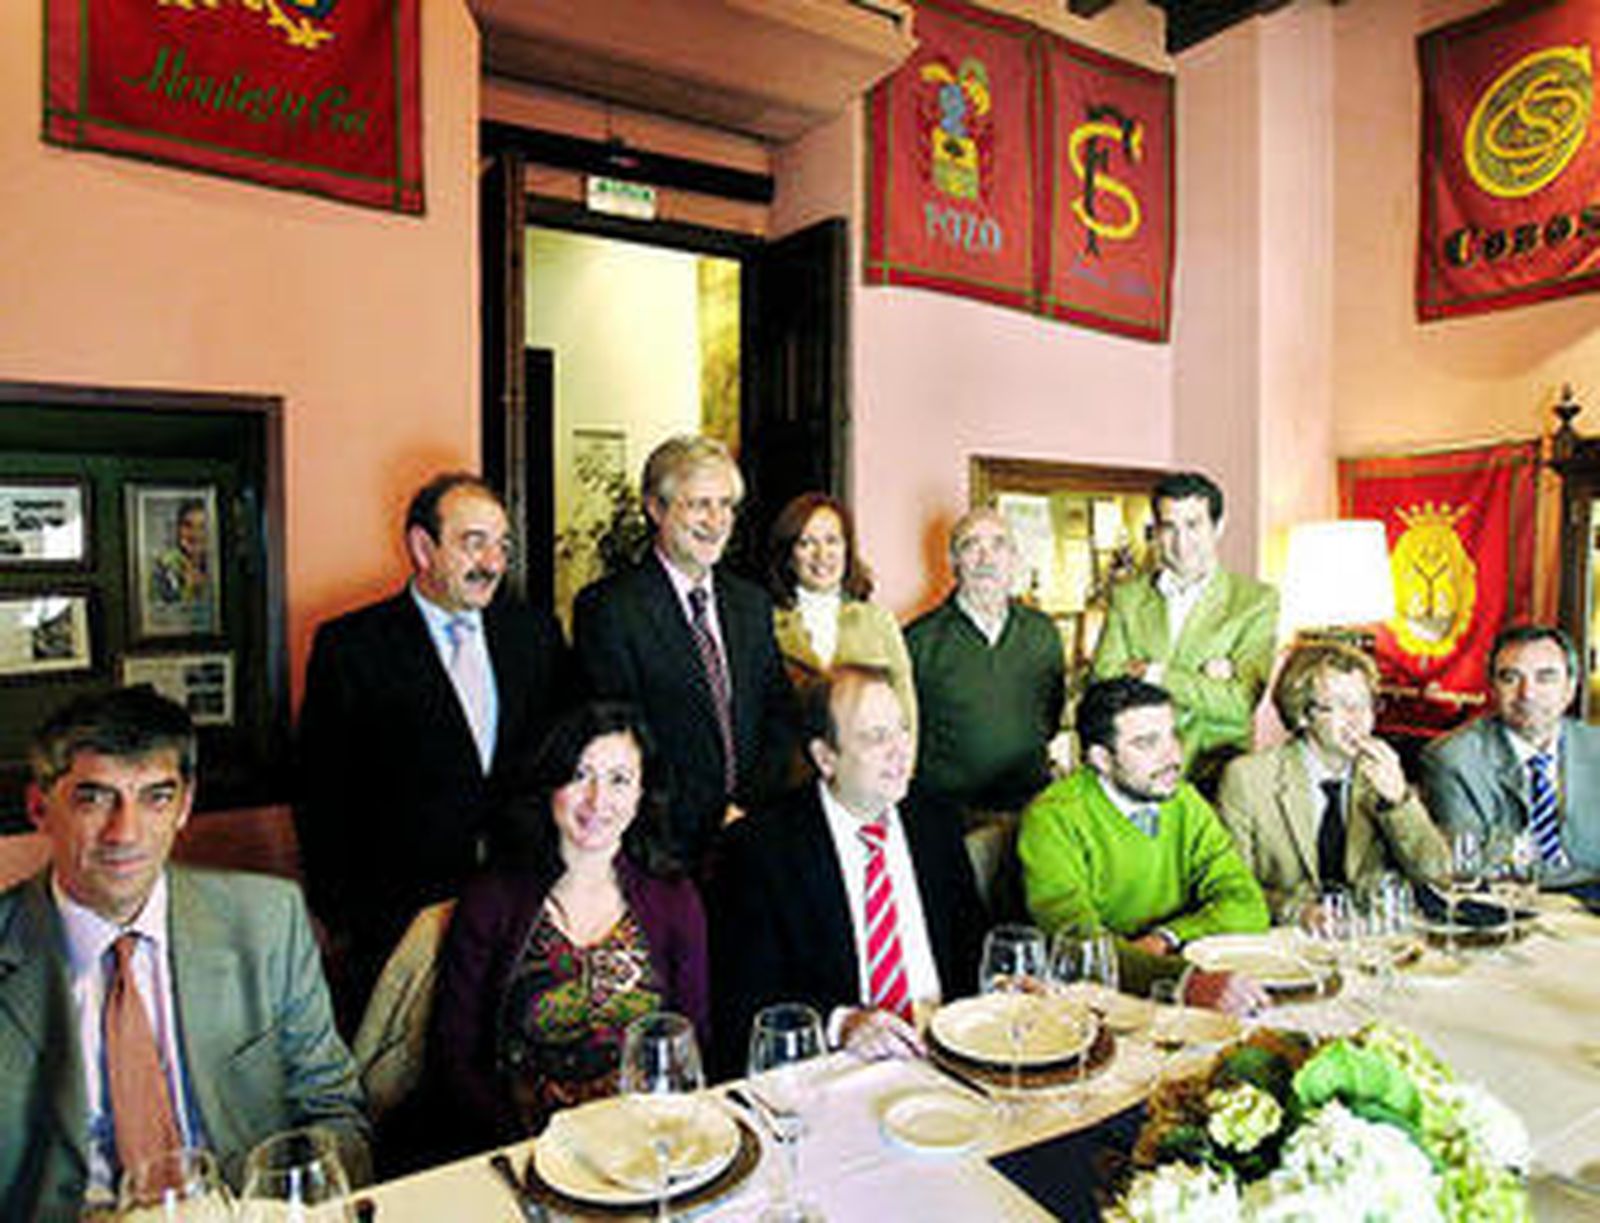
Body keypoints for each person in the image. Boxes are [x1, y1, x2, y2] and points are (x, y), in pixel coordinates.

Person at [0, 688, 368, 1217]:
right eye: (94, 798)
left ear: (185, 805)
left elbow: (331, 1109)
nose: (125, 833)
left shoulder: (268, 921)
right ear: (39, 807)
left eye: (156, 797)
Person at [295, 473, 572, 1019]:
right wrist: (341, 916)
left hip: (521, 899)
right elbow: (321, 793)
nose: (493, 563)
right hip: (397, 918)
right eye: (474, 543)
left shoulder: (535, 634)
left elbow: (562, 755)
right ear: (423, 547)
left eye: (502, 546)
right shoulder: (351, 646)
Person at [427, 703, 708, 1153]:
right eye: (580, 776)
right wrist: (528, 1148)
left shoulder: (674, 898)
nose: (597, 801)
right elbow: (453, 1056)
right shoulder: (493, 898)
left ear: (642, 793)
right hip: (517, 1146)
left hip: (641, 1143)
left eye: (619, 780)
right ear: (550, 783)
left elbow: (691, 1040)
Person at [710, 665, 987, 1073]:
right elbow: (746, 1000)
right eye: (876, 737)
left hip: (948, 1057)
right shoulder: (760, 849)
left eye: (902, 730)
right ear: (825, 757)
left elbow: (971, 942)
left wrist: (1001, 984)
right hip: (840, 1069)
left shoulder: (935, 819)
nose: (900, 750)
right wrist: (843, 1024)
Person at [573, 436, 796, 872]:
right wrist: (708, 815)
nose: (716, 521)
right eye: (699, 505)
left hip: (752, 832)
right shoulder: (610, 609)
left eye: (726, 505)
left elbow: (779, 712)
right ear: (655, 509)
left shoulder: (751, 604)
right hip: (662, 846)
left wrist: (747, 806)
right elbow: (618, 734)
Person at [1019, 676, 1271, 1015]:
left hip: (1175, 990)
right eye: (1146, 743)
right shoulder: (1053, 817)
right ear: (1101, 759)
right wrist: (1183, 980)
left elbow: (1248, 905)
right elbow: (1081, 948)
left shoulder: (1184, 800)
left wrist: (1167, 937)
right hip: (1091, 1004)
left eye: (1172, 735)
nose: (1173, 756)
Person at [1216, 641, 1447, 913]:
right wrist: (1295, 912)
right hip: (1284, 936)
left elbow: (1437, 874)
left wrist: (1399, 801)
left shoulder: (1381, 772)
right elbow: (1231, 889)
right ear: (1303, 714)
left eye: (1366, 704)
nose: (1359, 719)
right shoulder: (1248, 778)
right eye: (1343, 706)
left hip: (1372, 933)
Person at [1092, 471, 1278, 787]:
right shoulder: (1127, 596)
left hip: (1214, 774)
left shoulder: (1255, 601)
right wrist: (1205, 685)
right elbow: (1104, 683)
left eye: (1193, 525)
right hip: (1138, 775)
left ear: (1218, 527)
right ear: (1156, 531)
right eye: (1169, 527)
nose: (1181, 542)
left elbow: (1238, 705)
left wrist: (1154, 673)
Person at [905, 507, 1065, 815]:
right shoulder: (918, 640)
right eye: (971, 545)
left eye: (998, 545)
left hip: (1031, 808)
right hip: (949, 815)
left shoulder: (1043, 633)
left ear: (1014, 558)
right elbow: (908, 732)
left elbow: (1051, 718)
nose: (986, 558)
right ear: (953, 561)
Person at [1422, 623, 1600, 876]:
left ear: (1570, 689)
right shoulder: (1453, 759)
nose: (1527, 694)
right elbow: (1469, 862)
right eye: (1510, 678)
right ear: (1492, 689)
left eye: (1545, 678)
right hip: (1506, 899)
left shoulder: (1595, 747)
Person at [767, 491, 916, 740]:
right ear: (789, 556)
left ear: (847, 548)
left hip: (868, 762)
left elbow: (905, 710)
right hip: (790, 762)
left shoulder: (878, 622)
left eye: (832, 541)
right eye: (806, 543)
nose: (821, 554)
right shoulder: (765, 624)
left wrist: (903, 760)